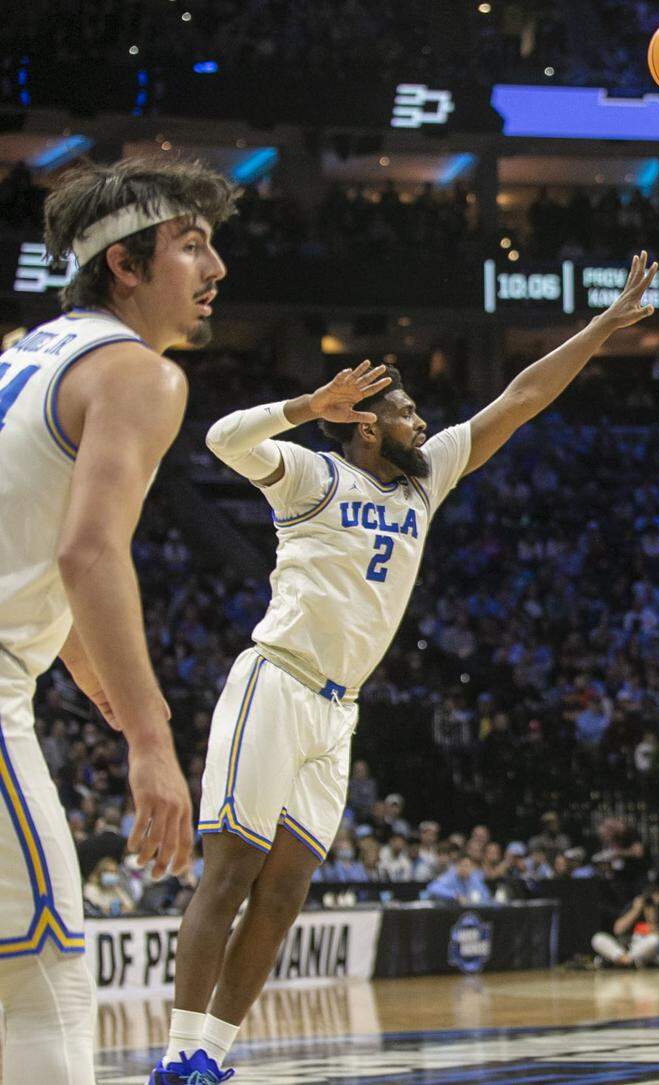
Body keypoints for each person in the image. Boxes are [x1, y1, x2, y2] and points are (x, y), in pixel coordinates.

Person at [156, 252, 659, 1081]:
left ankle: (214, 1054)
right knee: (232, 870)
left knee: (284, 893)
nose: (423, 424)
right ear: (364, 424)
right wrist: (303, 406)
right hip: (276, 679)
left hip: (339, 708)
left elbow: (522, 399)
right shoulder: (312, 475)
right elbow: (218, 439)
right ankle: (176, 1054)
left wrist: (602, 327)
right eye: (408, 413)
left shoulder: (425, 488)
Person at [0, 157, 235, 1083]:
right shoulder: (137, 375)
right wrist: (148, 735)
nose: (216, 268)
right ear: (126, 268)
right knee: (45, 964)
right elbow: (87, 553)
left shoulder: (27, 349)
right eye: (191, 245)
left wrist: (91, 673)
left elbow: (24, 535)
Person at [591, 883, 659, 967]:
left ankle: (621, 961)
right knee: (598, 938)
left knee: (655, 940)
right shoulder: (632, 907)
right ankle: (626, 960)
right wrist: (635, 910)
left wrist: (651, 916)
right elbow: (617, 930)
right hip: (623, 947)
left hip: (641, 950)